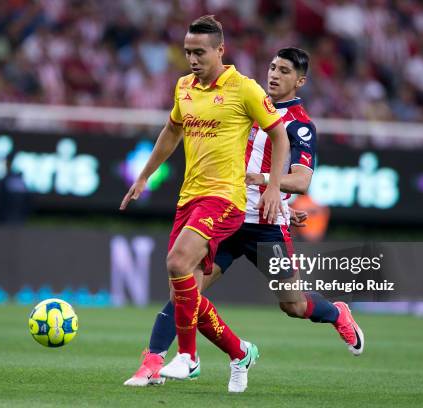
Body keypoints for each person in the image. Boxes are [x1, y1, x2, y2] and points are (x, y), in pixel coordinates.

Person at [123, 47, 365, 387]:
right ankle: (152, 362)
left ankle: (337, 312)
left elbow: (303, 180)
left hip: (266, 225)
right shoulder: (245, 102)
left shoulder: (300, 125)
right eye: (272, 67)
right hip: (226, 214)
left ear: (300, 80)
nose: (275, 74)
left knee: (293, 305)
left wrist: (269, 184)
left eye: (284, 71)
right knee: (184, 290)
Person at [120, 15, 290, 393]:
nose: (192, 59)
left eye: (199, 52)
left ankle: (189, 357)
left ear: (220, 51)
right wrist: (145, 175)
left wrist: (274, 186)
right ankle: (239, 351)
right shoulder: (183, 87)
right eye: (187, 52)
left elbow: (280, 137)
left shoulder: (244, 89)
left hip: (226, 198)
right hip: (189, 198)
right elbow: (172, 130)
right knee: (184, 292)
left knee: (177, 262)